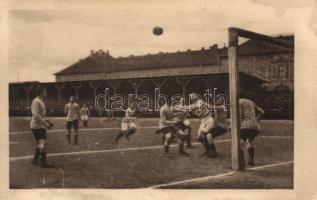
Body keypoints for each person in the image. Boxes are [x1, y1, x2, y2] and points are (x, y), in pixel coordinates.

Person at [30, 86, 54, 168]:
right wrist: (46, 124)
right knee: (42, 144)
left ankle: (35, 160)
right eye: (45, 91)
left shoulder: (40, 101)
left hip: (39, 126)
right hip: (37, 126)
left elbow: (41, 115)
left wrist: (48, 121)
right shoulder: (36, 101)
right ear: (41, 92)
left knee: (39, 144)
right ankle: (44, 163)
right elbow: (36, 115)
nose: (46, 93)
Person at [239, 92, 265, 166]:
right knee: (249, 141)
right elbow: (262, 112)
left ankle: (241, 161)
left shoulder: (239, 101)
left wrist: (237, 126)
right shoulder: (252, 102)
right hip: (254, 126)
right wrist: (256, 120)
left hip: (244, 125)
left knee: (240, 142)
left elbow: (240, 116)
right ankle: (251, 159)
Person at [188, 93, 217, 157]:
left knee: (204, 135)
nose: (194, 99)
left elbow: (197, 106)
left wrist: (187, 107)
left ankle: (212, 151)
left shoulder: (200, 102)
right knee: (199, 138)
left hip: (208, 120)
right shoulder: (193, 105)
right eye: (193, 99)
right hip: (203, 121)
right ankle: (208, 150)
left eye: (195, 98)